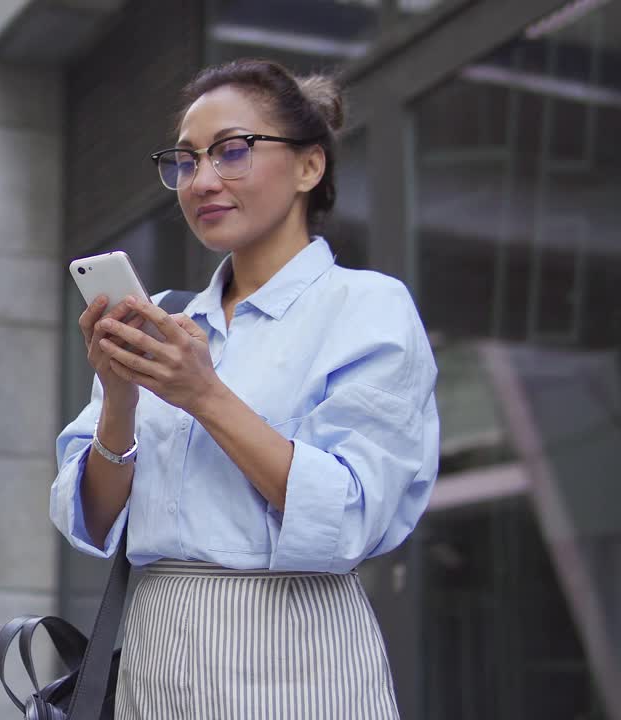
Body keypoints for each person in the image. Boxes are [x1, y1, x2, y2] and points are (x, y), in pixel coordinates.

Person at [49, 57, 439, 719]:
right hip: (156, 644)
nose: (201, 180)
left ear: (309, 167)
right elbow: (93, 517)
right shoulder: (169, 320)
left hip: (295, 646)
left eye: (233, 152)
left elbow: (352, 511)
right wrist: (119, 398)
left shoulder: (365, 306)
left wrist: (204, 395)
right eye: (186, 159)